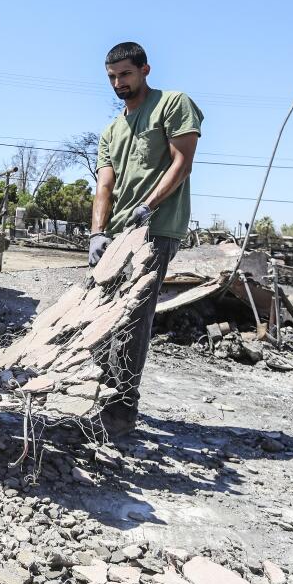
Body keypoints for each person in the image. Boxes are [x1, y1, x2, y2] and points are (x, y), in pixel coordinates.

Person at [89, 42, 203, 432]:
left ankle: (121, 409)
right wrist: (97, 234)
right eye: (112, 77)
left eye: (125, 74)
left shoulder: (172, 104)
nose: (118, 82)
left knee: (134, 316)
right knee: (102, 311)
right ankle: (100, 392)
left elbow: (182, 163)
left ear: (145, 70)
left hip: (155, 228)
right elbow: (105, 185)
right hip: (118, 233)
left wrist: (148, 206)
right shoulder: (111, 129)